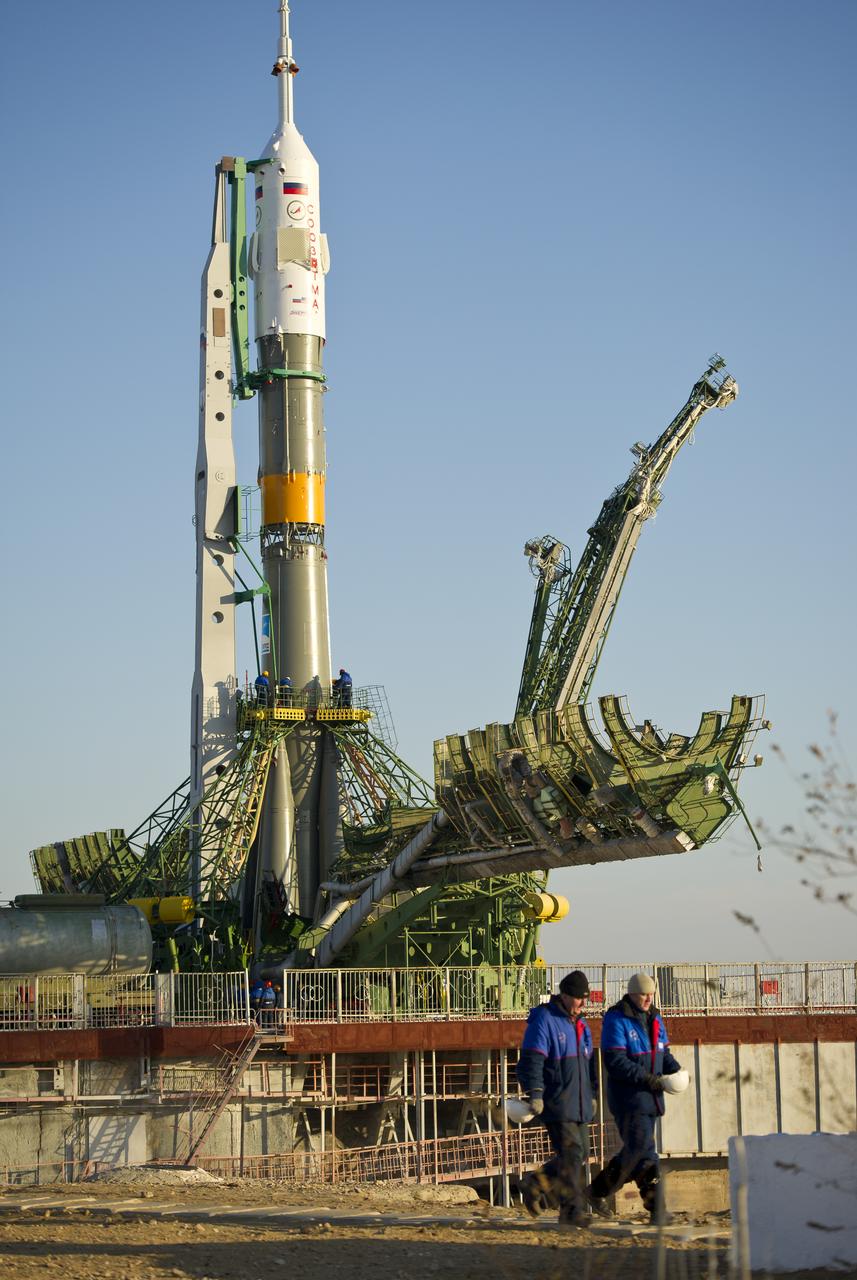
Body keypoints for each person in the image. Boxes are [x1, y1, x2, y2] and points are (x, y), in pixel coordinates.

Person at [588, 972, 682, 1223]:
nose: (648, 999)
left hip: (651, 1099)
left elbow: (663, 1053)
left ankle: (603, 1193)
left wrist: (676, 1070)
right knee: (642, 1150)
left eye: (651, 994)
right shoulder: (617, 1020)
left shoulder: (655, 1018)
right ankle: (604, 1192)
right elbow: (615, 1061)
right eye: (643, 994)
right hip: (628, 1099)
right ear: (631, 994)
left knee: (642, 1153)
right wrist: (647, 1078)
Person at [516, 969, 597, 1227]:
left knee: (579, 1153)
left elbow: (588, 1064)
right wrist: (536, 1093)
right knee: (572, 1153)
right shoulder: (545, 1020)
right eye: (579, 998)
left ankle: (534, 1183)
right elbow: (532, 1060)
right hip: (557, 1100)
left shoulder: (581, 1024)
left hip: (579, 1101)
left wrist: (592, 1094)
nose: (583, 1003)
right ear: (565, 995)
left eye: (585, 998)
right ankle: (571, 1212)